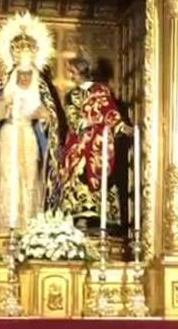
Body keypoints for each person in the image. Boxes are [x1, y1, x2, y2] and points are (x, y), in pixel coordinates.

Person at [0, 12, 62, 234]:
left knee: (30, 179)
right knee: (8, 179)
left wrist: (44, 118)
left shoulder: (42, 89)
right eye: (21, 74)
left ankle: (31, 228)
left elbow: (51, 121)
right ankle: (6, 228)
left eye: (28, 74)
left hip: (29, 137)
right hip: (8, 136)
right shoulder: (3, 87)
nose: (24, 78)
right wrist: (2, 110)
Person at [57, 56, 132, 230]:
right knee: (77, 170)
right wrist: (86, 122)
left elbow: (110, 113)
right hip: (79, 141)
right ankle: (79, 214)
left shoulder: (101, 90)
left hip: (100, 141)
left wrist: (121, 127)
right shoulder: (72, 95)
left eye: (73, 72)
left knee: (102, 171)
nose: (71, 76)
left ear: (81, 71)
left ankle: (102, 215)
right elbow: (72, 118)